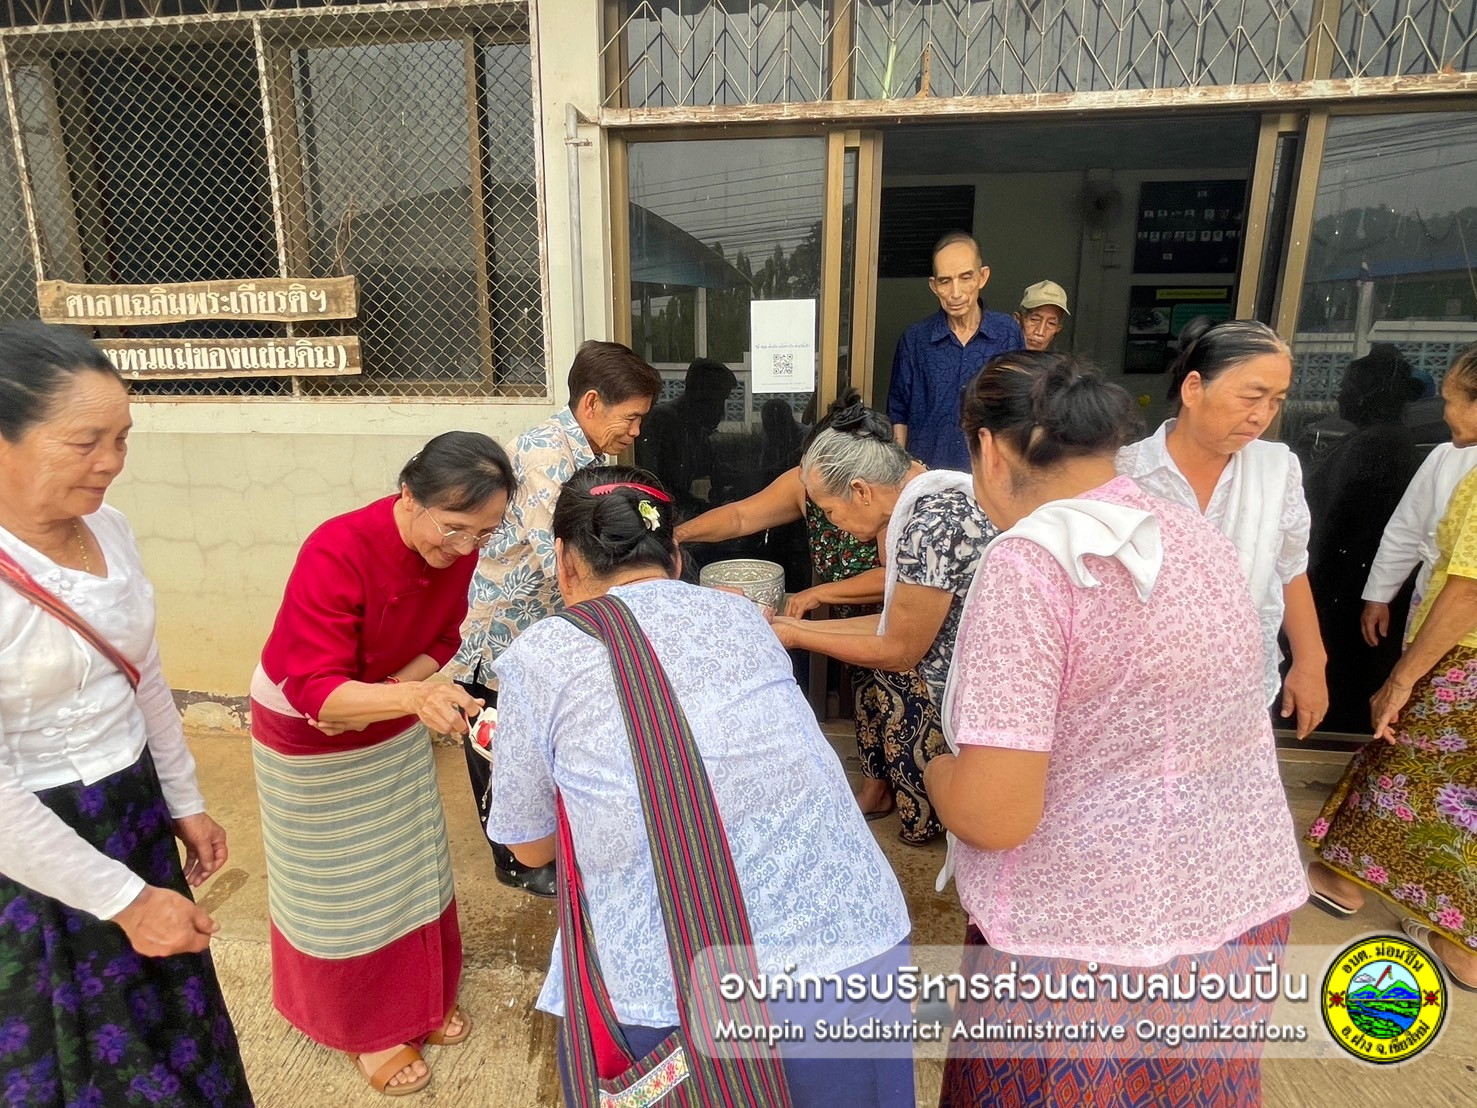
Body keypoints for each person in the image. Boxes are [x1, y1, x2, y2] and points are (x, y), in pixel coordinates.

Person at [928, 351, 1306, 1106]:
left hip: (1081, 946)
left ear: (989, 450)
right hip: (1231, 912)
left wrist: (935, 768)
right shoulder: (1189, 533)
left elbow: (993, 816)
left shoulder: (1031, 565)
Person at [486, 466, 915, 1106]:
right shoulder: (742, 618)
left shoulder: (541, 657)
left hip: (687, 993)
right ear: (678, 557)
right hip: (859, 952)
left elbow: (531, 848)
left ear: (564, 563)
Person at [0, 322, 252, 1106]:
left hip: (131, 815)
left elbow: (143, 677)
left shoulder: (110, 530)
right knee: (82, 1053)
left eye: (122, 439)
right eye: (85, 442)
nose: (111, 463)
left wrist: (184, 801)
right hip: (34, 854)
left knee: (174, 1028)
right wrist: (127, 902)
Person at [250, 431, 515, 1095]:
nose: (462, 550)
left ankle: (419, 1000)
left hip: (391, 705)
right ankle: (364, 1026)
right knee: (342, 887)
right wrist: (411, 695)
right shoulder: (337, 548)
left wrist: (409, 692)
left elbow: (442, 637)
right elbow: (316, 691)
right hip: (308, 731)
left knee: (408, 865)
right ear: (408, 495)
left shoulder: (454, 546)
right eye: (454, 529)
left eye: (480, 536)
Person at [448, 341, 662, 897]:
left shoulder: (583, 457)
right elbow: (565, 562)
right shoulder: (547, 458)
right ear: (592, 404)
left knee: (529, 742)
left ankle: (535, 845)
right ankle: (515, 860)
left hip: (543, 624)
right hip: (506, 629)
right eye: (631, 417)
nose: (636, 432)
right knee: (498, 742)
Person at [676, 390, 931, 828]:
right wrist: (677, 536)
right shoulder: (808, 483)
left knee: (903, 715)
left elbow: (892, 581)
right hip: (857, 623)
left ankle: (920, 814)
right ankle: (876, 793)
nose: (823, 506)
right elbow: (740, 516)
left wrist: (818, 594)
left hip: (904, 620)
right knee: (868, 706)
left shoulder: (902, 498)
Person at [1307, 346, 1477, 990]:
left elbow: (1466, 589)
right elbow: (1407, 531)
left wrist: (1404, 676)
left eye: (1457, 398)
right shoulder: (1447, 458)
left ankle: (1446, 932)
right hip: (1452, 642)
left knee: (1405, 766)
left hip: (1463, 658)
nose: (1445, 409)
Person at [771, 401, 996, 843]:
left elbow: (898, 649)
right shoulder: (927, 500)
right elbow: (893, 624)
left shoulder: (930, 526)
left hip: (974, 690)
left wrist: (798, 633)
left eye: (831, 512)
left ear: (860, 490)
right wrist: (793, 629)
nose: (833, 523)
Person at [1117, 316, 1329, 737]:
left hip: (1237, 689)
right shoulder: (1125, 473)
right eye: (1252, 396)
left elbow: (1288, 569)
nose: (1262, 415)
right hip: (1135, 690)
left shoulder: (1276, 470)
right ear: (1193, 388)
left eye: (1276, 401)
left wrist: (1310, 662)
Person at [1306, 344, 1425, 732]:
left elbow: (1342, 520)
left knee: (1344, 671)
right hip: (1349, 578)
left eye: (1349, 386)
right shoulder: (1372, 439)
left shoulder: (1379, 444)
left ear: (1373, 394)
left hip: (1351, 583)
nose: (1340, 394)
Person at [887, 232, 1025, 471]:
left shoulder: (1007, 332)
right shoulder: (916, 339)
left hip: (988, 475)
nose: (956, 292)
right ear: (934, 286)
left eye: (965, 277)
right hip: (926, 473)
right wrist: (902, 473)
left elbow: (1019, 405)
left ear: (982, 277)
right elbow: (899, 413)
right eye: (945, 281)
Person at [1361, 439, 1477, 647]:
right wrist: (1378, 595)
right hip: (1429, 602)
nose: (1444, 414)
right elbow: (1406, 530)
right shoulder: (1446, 456)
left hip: (1467, 615)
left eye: (1450, 404)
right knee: (1418, 676)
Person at [634, 356, 739, 515]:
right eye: (719, 400)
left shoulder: (695, 426)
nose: (721, 409)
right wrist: (704, 509)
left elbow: (715, 468)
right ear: (701, 395)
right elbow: (659, 484)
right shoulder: (664, 421)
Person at [1013, 279, 1070, 352]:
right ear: (1017, 319)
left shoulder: (1058, 363)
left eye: (1051, 323)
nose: (1040, 332)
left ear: (1057, 329)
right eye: (1034, 319)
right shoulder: (998, 358)